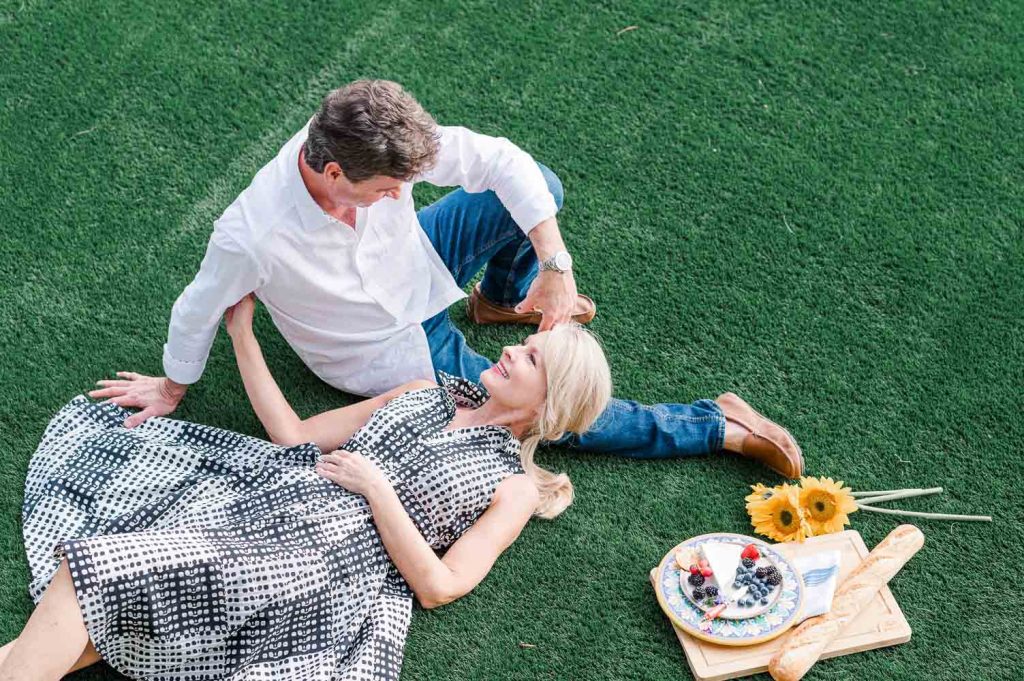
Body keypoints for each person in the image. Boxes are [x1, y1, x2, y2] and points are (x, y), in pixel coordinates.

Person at [91, 78, 802, 477]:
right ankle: (716, 424)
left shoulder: (368, 136)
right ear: (333, 172)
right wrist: (173, 382)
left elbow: (504, 163)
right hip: (383, 345)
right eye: (386, 191)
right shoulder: (252, 233)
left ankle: (498, 299)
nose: (401, 192)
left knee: (539, 190)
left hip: (420, 264)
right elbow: (198, 303)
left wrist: (556, 267)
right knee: (540, 408)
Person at [1, 295, 612, 681]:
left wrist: (378, 490)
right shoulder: (424, 392)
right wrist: (243, 333)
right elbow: (293, 435)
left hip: (327, 569)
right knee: (102, 612)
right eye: (524, 343)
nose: (510, 348)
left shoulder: (515, 487)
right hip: (263, 507)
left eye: (529, 358)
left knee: (91, 574)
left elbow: (440, 586)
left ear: (549, 402)